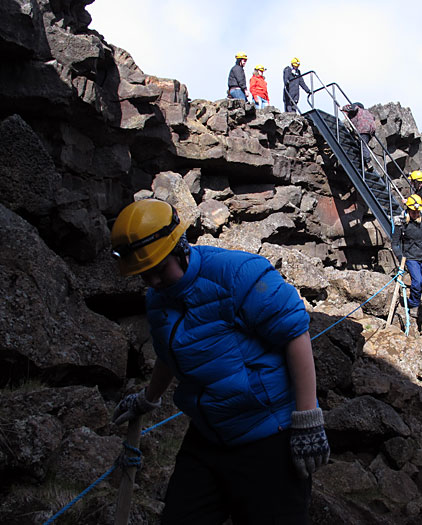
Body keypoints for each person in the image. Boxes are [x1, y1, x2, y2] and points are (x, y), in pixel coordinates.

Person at [109, 199, 329, 524]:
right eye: (144, 275)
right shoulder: (159, 300)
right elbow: (169, 356)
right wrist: (147, 399)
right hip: (208, 436)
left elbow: (294, 332)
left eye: (158, 270)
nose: (153, 282)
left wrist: (308, 419)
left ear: (180, 248)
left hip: (267, 437)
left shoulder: (238, 274)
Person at [391, 195, 422, 321]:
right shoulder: (401, 223)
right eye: (413, 212)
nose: (415, 214)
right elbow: (395, 243)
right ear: (408, 210)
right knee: (417, 281)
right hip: (410, 256)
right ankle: (414, 303)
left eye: (417, 212)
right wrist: (400, 256)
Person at [341, 102, 376, 169]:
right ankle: (364, 165)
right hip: (370, 130)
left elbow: (352, 108)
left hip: (363, 128)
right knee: (362, 145)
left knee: (362, 145)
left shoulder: (357, 108)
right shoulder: (367, 112)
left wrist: (342, 108)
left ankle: (368, 162)